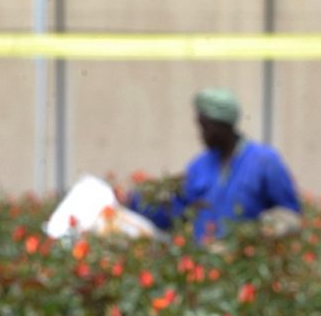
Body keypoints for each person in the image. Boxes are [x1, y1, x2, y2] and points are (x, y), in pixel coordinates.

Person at [129, 88, 300, 243]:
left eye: (205, 127)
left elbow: (289, 213)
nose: (201, 134)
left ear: (222, 126)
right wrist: (138, 202)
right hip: (208, 264)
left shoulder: (264, 161)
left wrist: (263, 232)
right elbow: (179, 211)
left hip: (247, 266)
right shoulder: (200, 166)